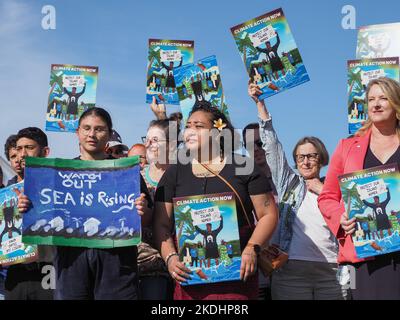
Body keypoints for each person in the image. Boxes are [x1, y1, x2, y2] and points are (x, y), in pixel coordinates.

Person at [17, 108, 152, 300]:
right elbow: (40, 217)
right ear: (77, 132)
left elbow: (146, 219)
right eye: (86, 128)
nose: (92, 134)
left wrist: (143, 210)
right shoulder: (57, 174)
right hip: (71, 263)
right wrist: (28, 206)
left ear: (109, 133)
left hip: (116, 264)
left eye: (99, 129)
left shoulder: (126, 173)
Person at [153, 102, 278, 300]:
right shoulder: (174, 173)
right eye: (188, 126)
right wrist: (170, 258)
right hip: (190, 280)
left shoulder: (244, 166)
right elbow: (161, 223)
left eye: (199, 126)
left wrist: (251, 249)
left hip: (237, 279)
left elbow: (268, 214)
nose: (190, 131)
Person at [249, 82, 346, 300]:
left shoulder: (335, 187)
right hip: (291, 270)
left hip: (332, 271)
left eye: (311, 156)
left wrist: (324, 191)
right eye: (300, 157)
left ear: (321, 158)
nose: (305, 161)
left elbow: (351, 218)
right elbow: (272, 147)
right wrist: (260, 104)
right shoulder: (288, 183)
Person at [318, 77, 400, 300]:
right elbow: (327, 197)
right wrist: (340, 219)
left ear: (396, 103)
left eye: (383, 98)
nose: (376, 104)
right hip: (365, 257)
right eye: (371, 99)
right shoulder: (347, 147)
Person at [5, 127, 54, 300]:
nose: (22, 154)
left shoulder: (57, 185)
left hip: (48, 269)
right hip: (15, 271)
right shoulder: (5, 194)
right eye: (18, 149)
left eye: (29, 148)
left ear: (45, 151)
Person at [137, 109, 180, 300]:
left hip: (179, 262)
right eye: (146, 139)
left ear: (171, 146)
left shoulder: (184, 177)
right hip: (141, 263)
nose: (147, 144)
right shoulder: (135, 176)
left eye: (154, 140)